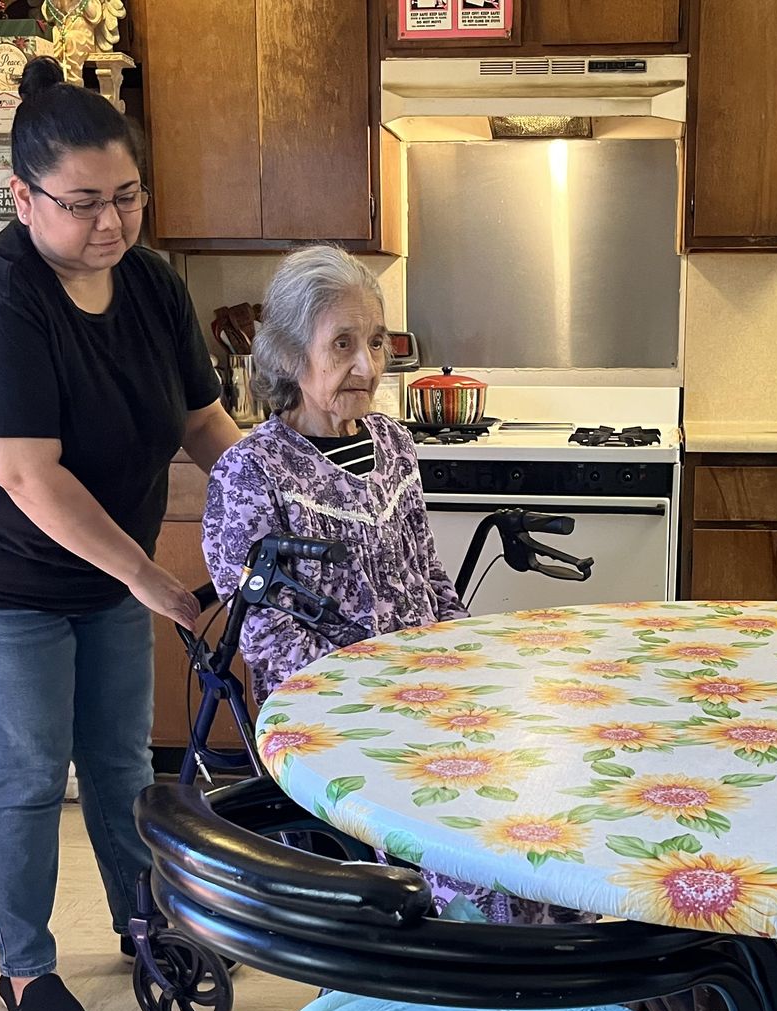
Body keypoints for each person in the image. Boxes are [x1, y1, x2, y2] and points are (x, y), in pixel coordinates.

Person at [0, 56, 240, 1011]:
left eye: (126, 198)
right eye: (83, 205)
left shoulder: (152, 285)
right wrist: (152, 577)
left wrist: (284, 491)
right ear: (24, 199)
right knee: (29, 766)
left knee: (122, 759)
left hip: (96, 564)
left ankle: (145, 924)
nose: (110, 224)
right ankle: (24, 969)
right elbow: (29, 477)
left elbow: (206, 425)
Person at [203, 245, 587, 925]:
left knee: (550, 792)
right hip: (337, 721)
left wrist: (474, 658)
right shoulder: (250, 472)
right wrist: (387, 692)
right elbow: (268, 640)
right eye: (342, 344)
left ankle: (559, 972)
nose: (366, 366)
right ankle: (472, 973)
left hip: (428, 691)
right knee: (472, 845)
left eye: (375, 342)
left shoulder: (392, 442)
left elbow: (426, 573)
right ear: (292, 355)